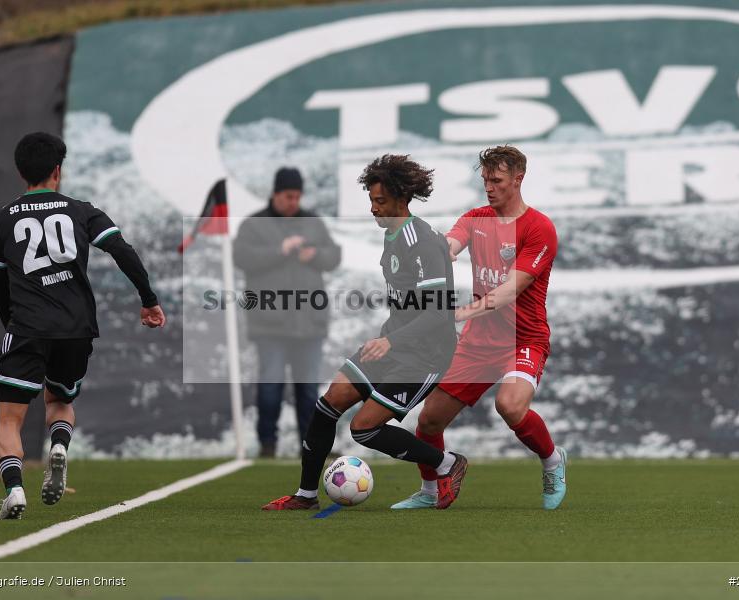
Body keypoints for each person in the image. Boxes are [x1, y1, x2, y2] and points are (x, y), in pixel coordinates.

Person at [262, 154, 466, 511]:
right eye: (371, 200)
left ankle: (447, 463)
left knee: (364, 429)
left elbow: (438, 313)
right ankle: (306, 495)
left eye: (380, 201)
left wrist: (391, 340)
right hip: (394, 344)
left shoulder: (422, 241)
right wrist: (389, 339)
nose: (373, 208)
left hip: (427, 354)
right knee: (327, 405)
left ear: (402, 199)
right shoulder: (393, 234)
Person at [0, 132, 166, 520]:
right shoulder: (81, 211)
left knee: (9, 419)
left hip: (28, 327)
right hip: (76, 328)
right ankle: (60, 446)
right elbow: (122, 250)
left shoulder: (2, 219)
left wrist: (12, 324)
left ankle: (15, 489)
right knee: (61, 401)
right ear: (57, 170)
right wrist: (148, 300)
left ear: (21, 173)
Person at [391, 145, 567, 511]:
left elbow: (509, 291)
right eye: (485, 179)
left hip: (524, 338)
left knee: (510, 406)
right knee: (429, 420)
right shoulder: (475, 219)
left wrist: (459, 313)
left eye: (497, 180)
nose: (489, 186)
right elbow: (449, 246)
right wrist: (432, 254)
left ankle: (552, 461)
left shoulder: (539, 228)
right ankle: (429, 491)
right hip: (478, 343)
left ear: (518, 179)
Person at [233, 167, 342, 458]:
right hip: (270, 325)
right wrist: (280, 250)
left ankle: (311, 445)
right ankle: (268, 446)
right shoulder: (254, 225)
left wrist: (316, 255)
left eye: (297, 196)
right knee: (271, 389)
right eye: (288, 196)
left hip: (309, 323)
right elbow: (241, 257)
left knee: (308, 390)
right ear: (276, 194)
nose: (293, 201)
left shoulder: (313, 223)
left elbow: (334, 255)